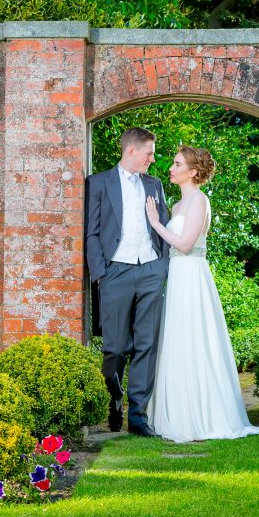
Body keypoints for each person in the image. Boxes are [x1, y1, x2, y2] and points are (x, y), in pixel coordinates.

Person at [144, 146, 259, 443]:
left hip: (192, 276)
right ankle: (180, 412)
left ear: (192, 172)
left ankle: (202, 416)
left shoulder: (199, 201)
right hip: (178, 277)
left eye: (177, 163)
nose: (170, 167)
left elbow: (184, 243)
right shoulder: (179, 204)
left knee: (195, 339)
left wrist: (155, 223)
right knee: (178, 340)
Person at [84, 127, 170, 437]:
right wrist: (100, 273)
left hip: (150, 271)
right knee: (115, 348)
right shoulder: (98, 183)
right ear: (131, 151)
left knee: (147, 345)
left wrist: (162, 266)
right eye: (149, 152)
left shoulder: (155, 185)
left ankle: (137, 417)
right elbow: (91, 233)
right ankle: (114, 398)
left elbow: (162, 226)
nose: (153, 157)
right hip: (115, 273)